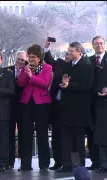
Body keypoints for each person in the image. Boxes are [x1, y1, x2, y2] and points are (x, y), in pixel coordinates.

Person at [57, 42, 94, 172]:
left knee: (78, 140)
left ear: (79, 51)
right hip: (66, 108)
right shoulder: (67, 65)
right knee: (67, 139)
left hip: (79, 109)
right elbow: (62, 80)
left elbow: (87, 86)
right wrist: (63, 84)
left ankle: (78, 165)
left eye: (72, 51)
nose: (69, 53)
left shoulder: (86, 66)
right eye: (69, 51)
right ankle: (67, 164)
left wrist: (70, 86)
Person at [17, 44, 53, 171]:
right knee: (26, 134)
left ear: (40, 57)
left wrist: (32, 77)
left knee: (42, 133)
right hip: (27, 103)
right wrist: (26, 73)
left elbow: (45, 83)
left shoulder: (47, 68)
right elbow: (21, 83)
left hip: (42, 104)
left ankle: (44, 164)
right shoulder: (26, 67)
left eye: (33, 57)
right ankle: (25, 164)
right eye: (29, 56)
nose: (31, 59)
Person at [43, 40, 72, 170]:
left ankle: (69, 163)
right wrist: (46, 48)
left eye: (70, 53)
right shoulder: (59, 64)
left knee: (67, 137)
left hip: (69, 108)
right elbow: (49, 60)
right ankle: (57, 161)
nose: (67, 55)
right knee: (55, 136)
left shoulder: (77, 68)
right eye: (67, 53)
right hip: (55, 106)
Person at [6, 51, 27, 169]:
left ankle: (24, 162)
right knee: (9, 135)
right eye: (18, 59)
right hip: (9, 107)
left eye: (22, 60)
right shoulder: (7, 70)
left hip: (23, 107)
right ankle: (9, 162)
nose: (20, 61)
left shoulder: (29, 71)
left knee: (23, 135)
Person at [90, 36, 107, 173]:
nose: (99, 45)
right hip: (94, 103)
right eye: (96, 44)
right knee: (98, 136)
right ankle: (100, 163)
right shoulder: (89, 61)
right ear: (93, 46)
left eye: (101, 43)